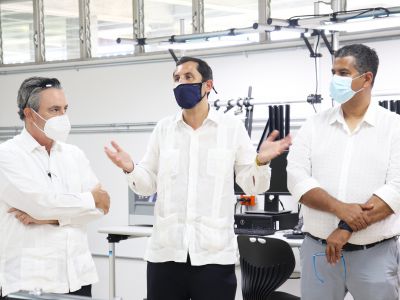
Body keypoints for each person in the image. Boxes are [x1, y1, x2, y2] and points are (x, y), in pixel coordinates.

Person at [105, 56, 291, 300]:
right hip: (166, 254)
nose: (181, 83)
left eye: (188, 77)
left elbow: (251, 184)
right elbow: (147, 183)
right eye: (176, 78)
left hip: (213, 256)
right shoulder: (164, 129)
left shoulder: (230, 128)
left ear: (208, 85)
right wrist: (130, 168)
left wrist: (261, 161)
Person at [287, 44, 400, 300]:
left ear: (367, 78)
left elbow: (396, 188)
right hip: (318, 250)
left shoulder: (394, 128)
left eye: (343, 73)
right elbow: (296, 177)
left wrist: (346, 226)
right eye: (333, 72)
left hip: (375, 255)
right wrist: (341, 209)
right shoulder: (315, 125)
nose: (335, 80)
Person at [0, 77, 110, 298]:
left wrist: (52, 219)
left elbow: (103, 206)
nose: (63, 117)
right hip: (31, 281)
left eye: (65, 109)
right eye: (54, 110)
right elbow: (40, 204)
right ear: (29, 114)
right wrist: (88, 199)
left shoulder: (74, 155)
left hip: (78, 276)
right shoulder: (7, 156)